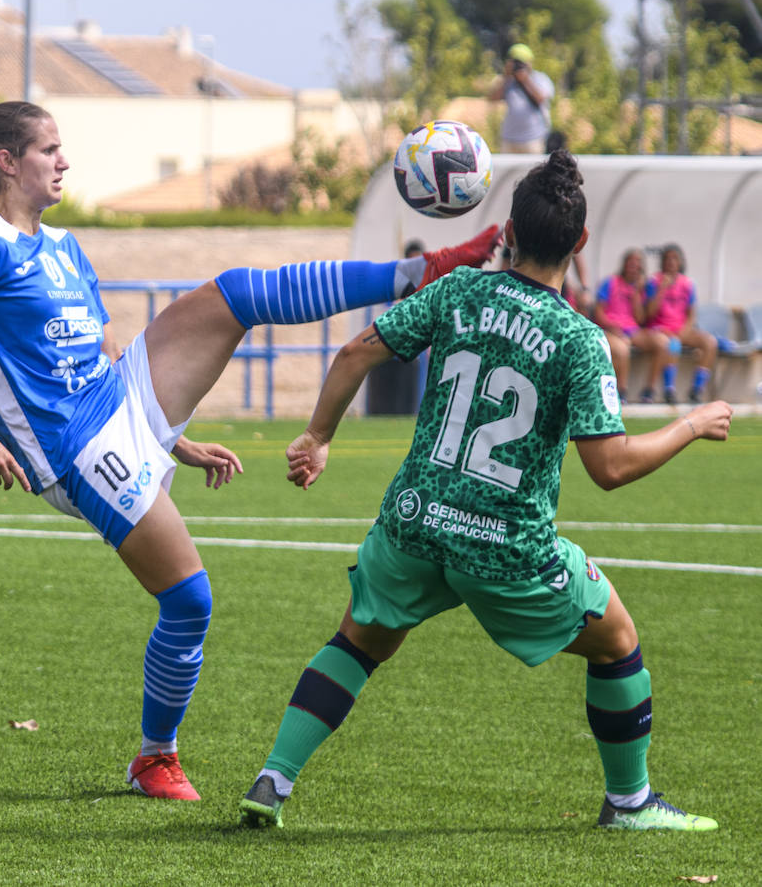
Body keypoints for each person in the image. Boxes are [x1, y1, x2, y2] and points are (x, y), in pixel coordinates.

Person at [0, 71, 500, 801]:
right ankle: (155, 758)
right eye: (51, 149)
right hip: (71, 447)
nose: (65, 162)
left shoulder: (65, 246)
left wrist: (173, 437)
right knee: (191, 599)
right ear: (9, 162)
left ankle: (422, 270)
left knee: (235, 293)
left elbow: (99, 357)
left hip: (118, 403)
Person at [237, 149, 731, 832]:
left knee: (360, 640)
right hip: (504, 547)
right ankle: (631, 803)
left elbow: (354, 352)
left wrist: (319, 436)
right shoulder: (580, 339)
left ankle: (274, 777)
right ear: (581, 243)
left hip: (414, 522)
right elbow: (610, 468)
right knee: (617, 638)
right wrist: (691, 423)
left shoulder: (458, 291)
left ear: (509, 229)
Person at [643, 243, 717, 404]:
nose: (671, 262)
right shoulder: (653, 282)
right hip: (660, 329)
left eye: (675, 258)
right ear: (663, 262)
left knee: (710, 343)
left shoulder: (687, 284)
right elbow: (649, 313)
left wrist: (685, 330)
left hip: (681, 329)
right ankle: (669, 390)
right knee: (673, 344)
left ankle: (696, 390)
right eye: (668, 259)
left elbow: (691, 314)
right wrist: (662, 289)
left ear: (680, 262)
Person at [592, 248, 671, 396]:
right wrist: (612, 327)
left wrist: (635, 293)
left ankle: (649, 390)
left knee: (663, 343)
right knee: (622, 348)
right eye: (631, 263)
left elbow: (640, 319)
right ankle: (621, 391)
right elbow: (598, 313)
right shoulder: (610, 282)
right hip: (609, 329)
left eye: (638, 264)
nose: (634, 267)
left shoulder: (642, 288)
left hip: (631, 330)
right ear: (624, 264)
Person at [487, 43, 554, 154]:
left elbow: (541, 99)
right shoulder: (508, 81)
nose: (518, 67)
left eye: (521, 63)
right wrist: (506, 76)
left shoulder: (540, 78)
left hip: (534, 138)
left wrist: (525, 80)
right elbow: (492, 98)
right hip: (509, 138)